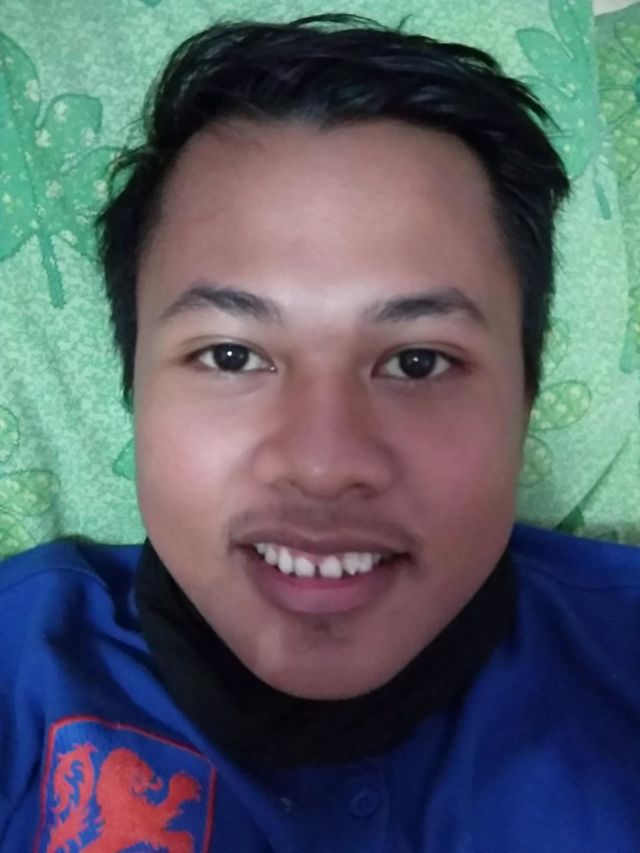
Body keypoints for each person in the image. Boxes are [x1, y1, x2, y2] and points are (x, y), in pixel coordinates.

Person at [1, 13, 639, 851]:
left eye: (417, 361)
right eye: (232, 355)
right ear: (134, 387)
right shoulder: (21, 671)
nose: (323, 463)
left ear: (525, 401)